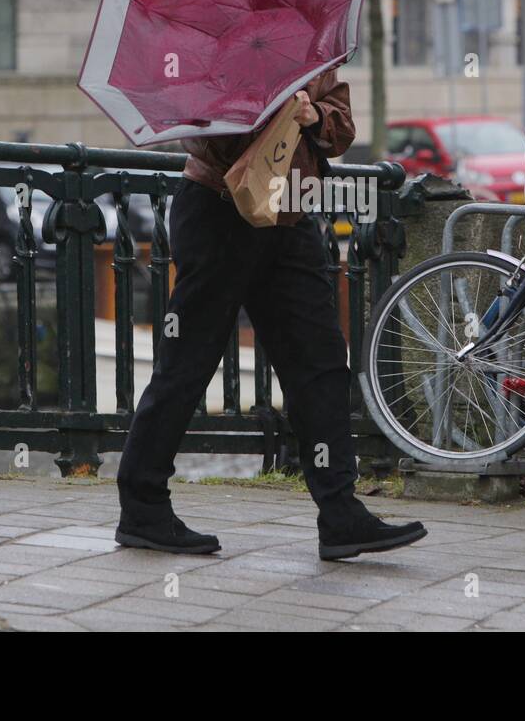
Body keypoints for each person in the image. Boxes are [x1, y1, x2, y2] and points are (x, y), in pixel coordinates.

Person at [115, 68, 427, 561]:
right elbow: (203, 133)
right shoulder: (220, 50)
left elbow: (342, 130)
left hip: (290, 216)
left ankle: (340, 514)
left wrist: (313, 113)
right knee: (188, 363)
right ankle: (142, 506)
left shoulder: (313, 50)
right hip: (220, 210)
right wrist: (265, 109)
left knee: (321, 363)